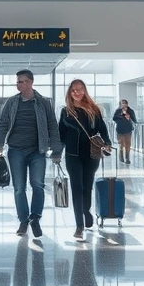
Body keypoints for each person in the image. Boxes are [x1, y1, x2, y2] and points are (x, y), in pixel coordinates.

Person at [0, 69, 63, 238]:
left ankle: (35, 218)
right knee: (19, 188)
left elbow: (52, 126)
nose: (18, 84)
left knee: (37, 185)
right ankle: (23, 221)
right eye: (17, 81)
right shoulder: (11, 102)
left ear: (31, 82)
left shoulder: (43, 103)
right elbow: (2, 124)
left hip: (37, 151)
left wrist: (56, 150)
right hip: (15, 150)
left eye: (21, 81)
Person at [58, 78, 112, 240]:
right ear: (69, 92)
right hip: (72, 155)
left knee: (87, 187)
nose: (77, 92)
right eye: (74, 90)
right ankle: (79, 225)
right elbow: (61, 134)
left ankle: (86, 210)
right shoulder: (66, 111)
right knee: (77, 188)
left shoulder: (94, 109)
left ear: (85, 90)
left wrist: (107, 143)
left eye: (80, 89)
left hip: (91, 154)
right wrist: (56, 153)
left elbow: (102, 128)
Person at [112, 100, 137, 164]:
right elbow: (114, 118)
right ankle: (121, 156)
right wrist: (121, 116)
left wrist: (134, 122)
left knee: (128, 144)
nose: (124, 105)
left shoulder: (130, 111)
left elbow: (134, 119)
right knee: (121, 144)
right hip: (120, 130)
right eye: (122, 103)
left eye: (125, 103)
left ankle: (127, 158)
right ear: (120, 104)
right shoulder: (118, 111)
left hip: (128, 129)